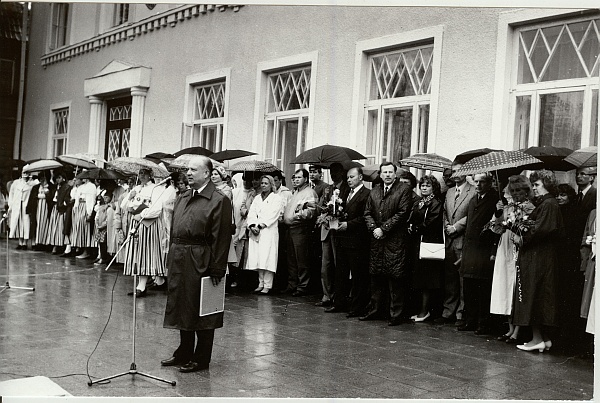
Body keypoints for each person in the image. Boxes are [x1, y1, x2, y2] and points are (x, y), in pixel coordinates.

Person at [162, 155, 232, 373]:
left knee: (203, 309)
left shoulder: (219, 200)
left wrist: (217, 267)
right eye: (188, 170)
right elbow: (175, 228)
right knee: (182, 304)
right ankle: (184, 351)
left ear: (207, 174)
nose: (188, 173)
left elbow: (222, 237)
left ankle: (201, 358)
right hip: (180, 256)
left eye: (193, 170)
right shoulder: (183, 196)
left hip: (202, 258)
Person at [512, 170, 562, 353]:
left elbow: (540, 230)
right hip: (540, 257)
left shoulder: (548, 204)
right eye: (533, 185)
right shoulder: (545, 204)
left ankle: (538, 339)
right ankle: (544, 339)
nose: (534, 188)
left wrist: (521, 238)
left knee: (535, 295)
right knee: (538, 296)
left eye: (537, 185)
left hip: (539, 258)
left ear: (547, 185)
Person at [362, 162, 414, 326]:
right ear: (380, 174)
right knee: (376, 276)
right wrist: (373, 228)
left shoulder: (404, 190)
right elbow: (367, 212)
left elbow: (402, 213)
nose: (388, 175)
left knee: (395, 278)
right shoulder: (375, 191)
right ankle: (375, 311)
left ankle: (396, 314)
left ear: (395, 173)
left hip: (395, 240)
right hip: (377, 240)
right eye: (385, 172)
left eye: (391, 172)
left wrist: (384, 229)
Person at [490, 175, 535, 344]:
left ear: (526, 191)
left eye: (519, 190)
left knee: (516, 286)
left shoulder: (530, 207)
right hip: (505, 247)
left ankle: (518, 330)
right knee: (505, 286)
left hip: (519, 247)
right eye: (513, 191)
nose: (516, 194)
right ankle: (509, 328)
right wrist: (498, 212)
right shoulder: (507, 207)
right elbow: (496, 228)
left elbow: (529, 228)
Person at [458, 172, 499, 335]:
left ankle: (483, 322)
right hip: (470, 249)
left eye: (482, 182)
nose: (478, 185)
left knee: (482, 287)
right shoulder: (473, 199)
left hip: (483, 249)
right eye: (476, 181)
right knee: (469, 287)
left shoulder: (495, 199)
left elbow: (495, 224)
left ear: (489, 183)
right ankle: (470, 320)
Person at [435, 162, 476, 326]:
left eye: (459, 171)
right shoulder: (450, 191)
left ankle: (461, 313)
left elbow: (472, 214)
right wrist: (446, 226)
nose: (455, 174)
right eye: (453, 171)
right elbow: (445, 212)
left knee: (462, 279)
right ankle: (448, 311)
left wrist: (456, 227)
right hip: (449, 239)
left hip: (463, 239)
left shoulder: (473, 191)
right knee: (449, 278)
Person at [327, 167, 371, 316]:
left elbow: (365, 216)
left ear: (360, 177)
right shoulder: (345, 193)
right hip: (342, 238)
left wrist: (349, 224)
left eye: (352, 177)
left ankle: (357, 307)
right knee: (340, 273)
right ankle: (339, 303)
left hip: (357, 240)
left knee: (358, 275)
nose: (349, 180)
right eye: (347, 178)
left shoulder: (366, 194)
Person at [123, 168, 166, 296]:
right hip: (135, 223)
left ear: (150, 175)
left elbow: (157, 210)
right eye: (139, 173)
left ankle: (143, 286)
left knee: (146, 254)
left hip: (148, 224)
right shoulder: (136, 189)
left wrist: (141, 215)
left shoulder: (156, 188)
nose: (141, 175)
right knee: (137, 254)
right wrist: (129, 197)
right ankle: (143, 284)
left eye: (144, 173)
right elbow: (124, 205)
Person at [408, 175, 445, 322]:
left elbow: (432, 222)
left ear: (433, 188)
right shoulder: (420, 202)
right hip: (418, 242)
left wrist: (416, 228)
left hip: (428, 242)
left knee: (426, 280)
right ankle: (420, 310)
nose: (424, 187)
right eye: (422, 185)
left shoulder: (435, 202)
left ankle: (425, 312)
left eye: (427, 185)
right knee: (419, 278)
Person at [315, 162, 350, 307]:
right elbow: (322, 206)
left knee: (339, 265)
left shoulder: (347, 189)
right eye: (331, 172)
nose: (333, 174)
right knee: (325, 266)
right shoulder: (327, 189)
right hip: (326, 229)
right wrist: (324, 210)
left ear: (342, 173)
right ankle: (326, 295)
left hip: (339, 230)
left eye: (336, 171)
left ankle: (339, 296)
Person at [282, 168, 318, 296]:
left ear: (306, 179)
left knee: (301, 259)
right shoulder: (294, 193)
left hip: (301, 228)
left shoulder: (309, 193)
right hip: (290, 229)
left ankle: (303, 286)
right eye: (294, 177)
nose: (295, 180)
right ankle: (293, 284)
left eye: (299, 177)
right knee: (291, 259)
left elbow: (311, 211)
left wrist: (297, 216)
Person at [245, 175, 283, 295]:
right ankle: (260, 283)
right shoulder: (257, 198)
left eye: (266, 183)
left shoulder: (276, 198)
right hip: (256, 230)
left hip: (268, 231)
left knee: (268, 258)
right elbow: (251, 213)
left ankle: (267, 285)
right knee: (258, 258)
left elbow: (273, 214)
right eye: (262, 183)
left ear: (271, 184)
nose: (263, 185)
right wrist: (252, 225)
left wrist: (261, 225)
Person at [272, 171, 292, 292]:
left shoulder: (286, 193)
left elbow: (288, 208)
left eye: (275, 180)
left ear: (280, 180)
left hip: (282, 225)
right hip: (273, 224)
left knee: (282, 254)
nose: (273, 183)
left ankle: (281, 282)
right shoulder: (271, 192)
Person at [26, 171, 55, 251]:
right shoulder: (36, 187)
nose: (42, 180)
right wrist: (29, 209)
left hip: (47, 208)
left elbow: (52, 198)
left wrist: (46, 193)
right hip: (38, 208)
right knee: (37, 224)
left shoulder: (51, 187)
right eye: (41, 178)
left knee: (46, 225)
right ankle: (37, 242)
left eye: (44, 178)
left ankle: (46, 243)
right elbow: (31, 198)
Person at [7, 170, 33, 250]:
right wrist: (10, 205)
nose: (25, 175)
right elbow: (11, 194)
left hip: (26, 205)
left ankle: (25, 242)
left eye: (27, 173)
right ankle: (20, 242)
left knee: (25, 223)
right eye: (24, 173)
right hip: (17, 205)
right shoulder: (16, 183)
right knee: (18, 223)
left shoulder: (31, 183)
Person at [94, 191, 111, 264]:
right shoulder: (101, 206)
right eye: (104, 197)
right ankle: (100, 256)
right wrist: (98, 224)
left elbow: (108, 218)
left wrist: (103, 225)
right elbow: (97, 216)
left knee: (105, 242)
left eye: (107, 197)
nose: (105, 199)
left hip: (105, 227)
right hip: (100, 226)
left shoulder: (110, 207)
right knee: (100, 242)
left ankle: (105, 258)